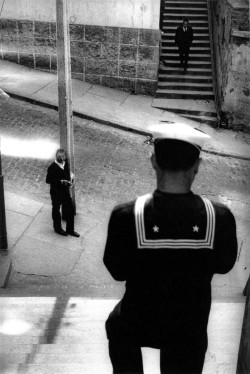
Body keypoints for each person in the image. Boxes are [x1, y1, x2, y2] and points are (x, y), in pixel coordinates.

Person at [103, 123, 237, 374]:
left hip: (138, 320)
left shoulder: (126, 216)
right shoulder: (219, 217)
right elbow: (225, 264)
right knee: (189, 345)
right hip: (189, 327)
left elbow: (117, 270)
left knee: (117, 325)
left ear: (153, 161)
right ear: (197, 165)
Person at [46, 148, 80, 237]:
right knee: (56, 211)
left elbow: (68, 174)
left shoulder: (65, 163)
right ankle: (58, 228)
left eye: (63, 156)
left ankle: (70, 230)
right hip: (56, 193)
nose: (61, 158)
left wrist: (70, 181)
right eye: (59, 156)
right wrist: (61, 181)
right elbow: (48, 180)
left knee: (70, 210)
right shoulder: (52, 167)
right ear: (56, 156)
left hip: (65, 191)